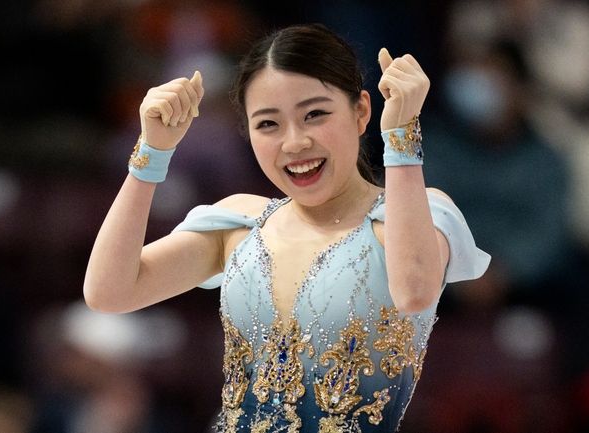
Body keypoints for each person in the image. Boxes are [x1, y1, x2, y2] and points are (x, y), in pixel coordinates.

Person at [84, 23, 490, 433]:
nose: (294, 143)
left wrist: (401, 136)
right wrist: (151, 153)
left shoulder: (414, 215)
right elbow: (108, 292)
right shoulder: (239, 223)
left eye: (314, 115)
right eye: (268, 124)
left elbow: (414, 291)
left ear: (362, 111)